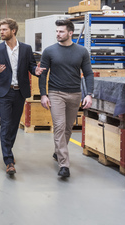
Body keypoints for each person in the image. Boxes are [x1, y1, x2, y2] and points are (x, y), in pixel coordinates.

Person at [0, 18, 45, 175]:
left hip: (20, 92)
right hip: (4, 93)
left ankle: (8, 151)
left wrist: (36, 71)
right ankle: (8, 160)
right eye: (1, 29)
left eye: (4, 29)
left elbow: (31, 66)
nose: (1, 32)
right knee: (6, 125)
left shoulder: (26, 49)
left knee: (13, 126)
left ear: (13, 31)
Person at [39, 19, 93, 178]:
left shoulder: (82, 51)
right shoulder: (49, 51)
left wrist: (89, 93)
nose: (58, 34)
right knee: (60, 127)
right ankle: (64, 165)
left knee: (68, 128)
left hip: (75, 94)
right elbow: (43, 74)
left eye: (61, 31)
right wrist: (43, 94)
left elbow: (88, 74)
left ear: (70, 33)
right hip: (56, 94)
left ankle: (58, 152)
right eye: (56, 31)